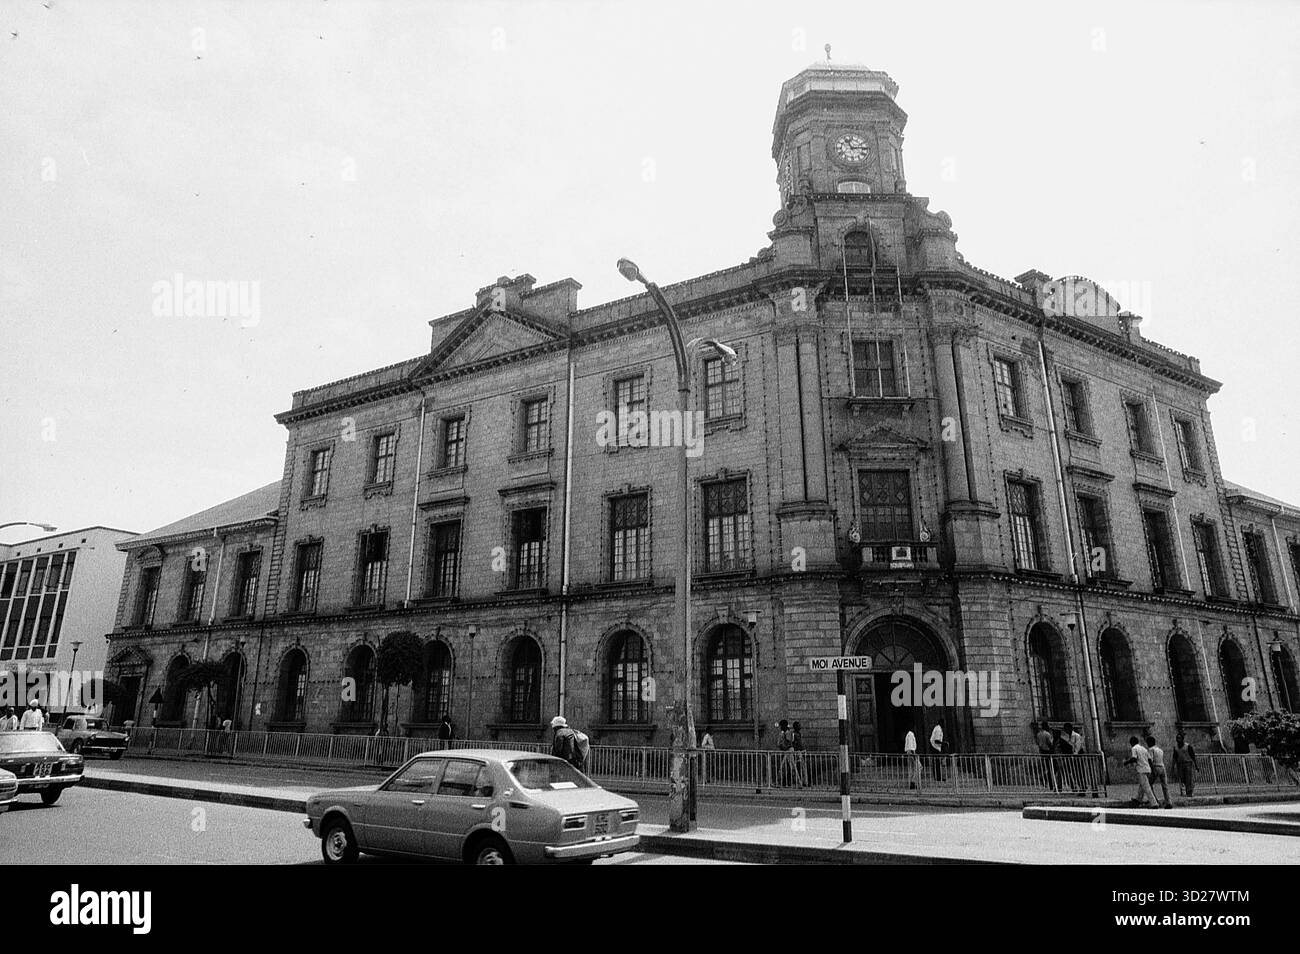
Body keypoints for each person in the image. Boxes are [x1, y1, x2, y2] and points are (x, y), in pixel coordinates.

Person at [1124, 735, 1157, 807]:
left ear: (1132, 743)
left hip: (1141, 770)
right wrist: (1152, 769)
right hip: (1148, 769)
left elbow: (1134, 758)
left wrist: (1127, 762)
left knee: (1146, 787)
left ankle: (1154, 803)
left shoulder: (1134, 748)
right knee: (1142, 786)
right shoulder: (1144, 749)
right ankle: (1138, 800)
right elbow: (1149, 760)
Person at [1147, 735, 1173, 808]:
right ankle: (1168, 802)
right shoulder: (1160, 750)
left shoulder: (1151, 749)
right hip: (1162, 767)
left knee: (1149, 784)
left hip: (1155, 766)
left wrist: (1152, 770)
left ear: (1150, 742)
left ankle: (1155, 801)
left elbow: (1150, 760)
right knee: (1165, 785)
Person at [1172, 732, 1199, 797]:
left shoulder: (1188, 746)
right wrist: (1172, 766)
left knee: (1188, 778)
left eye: (1179, 738)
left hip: (1188, 763)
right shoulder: (1175, 747)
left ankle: (1189, 792)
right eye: (1177, 738)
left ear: (1182, 739)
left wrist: (1196, 765)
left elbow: (1193, 756)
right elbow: (1174, 757)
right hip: (1180, 764)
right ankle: (1187, 789)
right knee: (1182, 778)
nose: (1178, 739)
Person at [1035, 721, 1057, 791]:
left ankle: (1048, 782)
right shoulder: (1047, 734)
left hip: (1042, 752)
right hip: (1048, 751)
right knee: (1052, 768)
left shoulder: (1038, 734)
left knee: (1046, 767)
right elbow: (1050, 743)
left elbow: (1037, 743)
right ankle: (1051, 783)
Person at [776, 719, 798, 787]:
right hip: (787, 751)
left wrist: (783, 747)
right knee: (786, 767)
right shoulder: (785, 733)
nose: (780, 727)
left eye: (781, 726)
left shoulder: (787, 733)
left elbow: (789, 743)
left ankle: (797, 782)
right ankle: (780, 782)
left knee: (789, 767)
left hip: (788, 751)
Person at [792, 720, 808, 788]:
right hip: (797, 752)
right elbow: (793, 743)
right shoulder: (794, 734)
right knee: (799, 767)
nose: (800, 726)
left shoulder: (799, 734)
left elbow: (800, 743)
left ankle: (804, 781)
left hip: (800, 751)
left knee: (802, 767)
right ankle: (801, 782)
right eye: (798, 725)